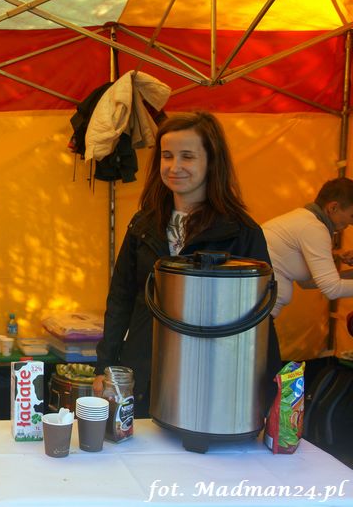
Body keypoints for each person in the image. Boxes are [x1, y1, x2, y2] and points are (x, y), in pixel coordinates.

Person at [93, 111, 281, 418]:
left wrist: (268, 392)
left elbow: (260, 317)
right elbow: (120, 300)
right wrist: (105, 367)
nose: (174, 166)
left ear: (212, 161)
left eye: (188, 156)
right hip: (144, 376)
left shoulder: (241, 232)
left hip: (211, 384)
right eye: (167, 155)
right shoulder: (143, 225)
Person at [263, 178, 353, 318]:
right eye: (352, 216)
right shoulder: (314, 228)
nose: (351, 223)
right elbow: (332, 289)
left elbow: (307, 283)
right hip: (259, 312)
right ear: (333, 207)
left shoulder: (305, 219)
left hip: (258, 311)